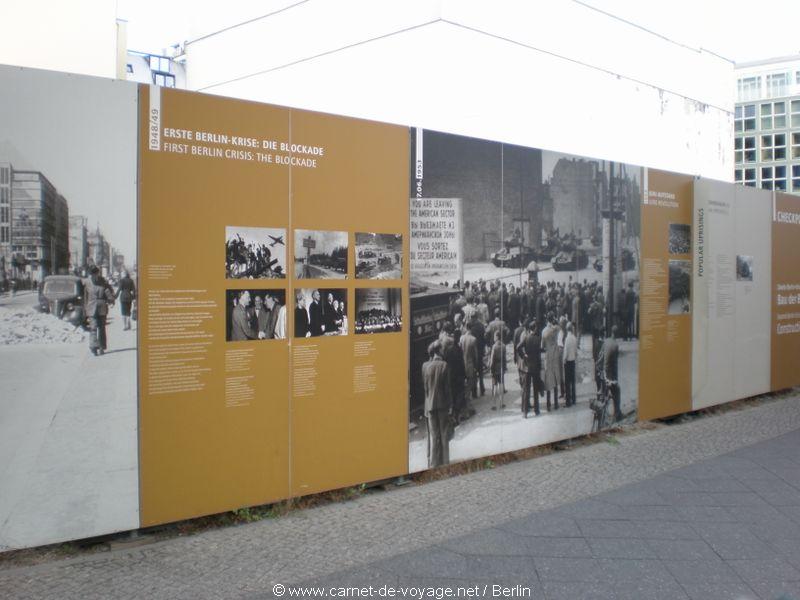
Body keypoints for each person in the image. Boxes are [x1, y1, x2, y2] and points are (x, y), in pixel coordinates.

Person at [422, 341, 452, 468]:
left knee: (434, 436)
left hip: (430, 406)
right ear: (438, 351)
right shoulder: (444, 365)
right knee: (444, 434)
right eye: (442, 349)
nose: (443, 351)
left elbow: (426, 388)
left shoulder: (426, 367)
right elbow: (447, 389)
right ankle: (445, 462)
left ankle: (434, 463)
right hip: (442, 405)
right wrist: (450, 405)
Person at [84, 266, 115, 355]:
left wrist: (111, 300)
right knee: (93, 328)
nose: (94, 276)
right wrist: (85, 308)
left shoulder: (103, 282)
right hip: (91, 307)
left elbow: (108, 291)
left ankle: (101, 347)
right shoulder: (86, 282)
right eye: (92, 275)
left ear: (98, 273)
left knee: (101, 328)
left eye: (95, 274)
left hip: (102, 307)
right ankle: (93, 346)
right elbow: (85, 296)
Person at [518, 320, 543, 417]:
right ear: (535, 328)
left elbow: (518, 347)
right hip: (535, 367)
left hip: (527, 367)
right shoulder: (538, 339)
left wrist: (523, 355)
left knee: (526, 389)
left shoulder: (526, 338)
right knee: (536, 389)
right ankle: (536, 410)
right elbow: (540, 351)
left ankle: (525, 412)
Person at [602, 325, 622, 422]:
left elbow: (602, 356)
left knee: (607, 392)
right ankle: (617, 414)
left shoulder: (606, 341)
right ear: (617, 334)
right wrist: (616, 379)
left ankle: (606, 413)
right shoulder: (615, 345)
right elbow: (615, 364)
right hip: (610, 375)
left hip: (604, 372)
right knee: (617, 391)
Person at [489, 330, 506, 409]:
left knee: (495, 385)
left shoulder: (494, 346)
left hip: (495, 367)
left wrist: (491, 369)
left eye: (494, 336)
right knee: (501, 385)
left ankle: (494, 404)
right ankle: (501, 403)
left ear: (497, 337)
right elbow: (505, 359)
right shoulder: (503, 346)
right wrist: (505, 367)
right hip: (501, 367)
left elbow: (492, 360)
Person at [563, 322, 578, 407]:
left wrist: (564, 360)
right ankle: (574, 399)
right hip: (573, 361)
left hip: (568, 362)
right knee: (573, 381)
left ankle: (568, 401)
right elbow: (576, 351)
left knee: (567, 382)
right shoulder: (574, 338)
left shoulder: (567, 339)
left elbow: (565, 352)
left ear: (566, 329)